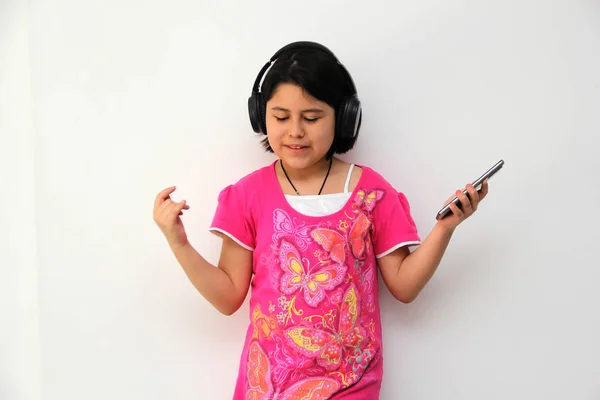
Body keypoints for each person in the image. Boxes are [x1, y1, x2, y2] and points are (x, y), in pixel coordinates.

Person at [153, 41, 489, 399]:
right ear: (260, 116)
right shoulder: (248, 195)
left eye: (311, 118)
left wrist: (445, 228)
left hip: (350, 385)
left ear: (343, 117)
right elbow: (227, 297)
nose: (295, 131)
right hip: (268, 389)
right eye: (281, 117)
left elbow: (404, 287)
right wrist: (178, 242)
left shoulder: (372, 193)